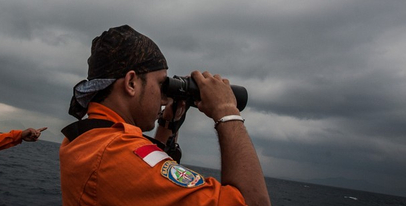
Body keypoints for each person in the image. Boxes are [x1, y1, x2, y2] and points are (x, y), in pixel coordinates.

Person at [60, 25, 270, 206]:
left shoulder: (88, 139)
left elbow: (150, 172)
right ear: (131, 83)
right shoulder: (114, 155)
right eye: (161, 84)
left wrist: (168, 123)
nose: (163, 98)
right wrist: (226, 110)